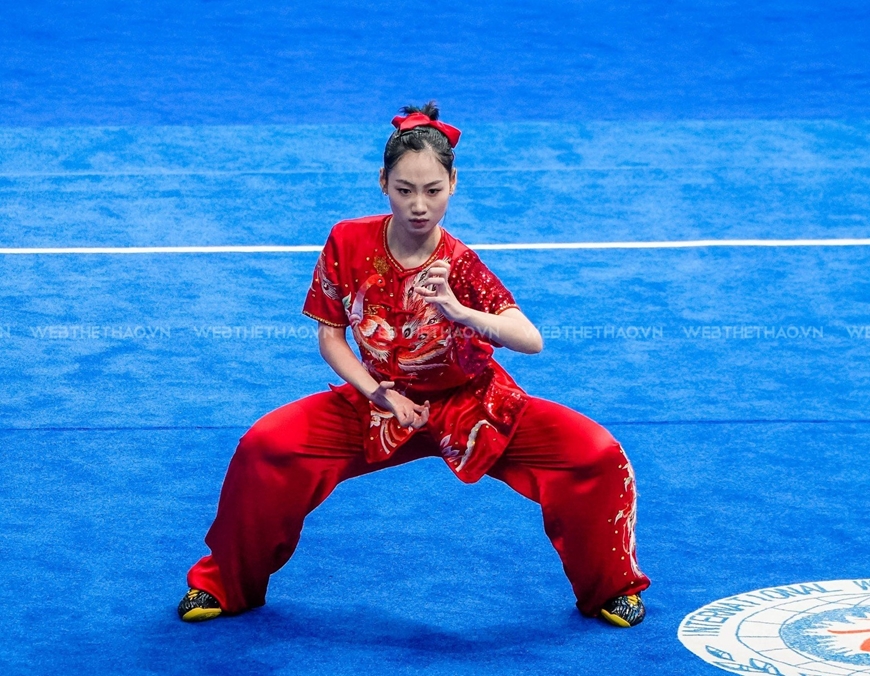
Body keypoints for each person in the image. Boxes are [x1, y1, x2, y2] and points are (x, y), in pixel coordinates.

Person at [178, 102, 650, 627]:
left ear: (454, 183)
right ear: (383, 182)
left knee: (595, 454)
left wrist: (460, 310)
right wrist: (379, 393)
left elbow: (530, 339)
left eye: (433, 190)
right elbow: (331, 340)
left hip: (472, 405)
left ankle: (612, 587)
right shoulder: (347, 241)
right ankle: (223, 584)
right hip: (376, 401)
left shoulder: (461, 264)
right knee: (267, 447)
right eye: (404, 190)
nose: (419, 206)